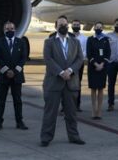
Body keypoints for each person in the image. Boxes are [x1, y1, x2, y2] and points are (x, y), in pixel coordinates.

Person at [39, 16, 86, 147]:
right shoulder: (49, 42)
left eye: (65, 24)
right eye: (60, 25)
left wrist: (69, 71)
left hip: (70, 83)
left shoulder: (75, 42)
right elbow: (48, 60)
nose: (63, 26)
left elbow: (80, 59)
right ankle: (46, 138)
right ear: (56, 27)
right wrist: (61, 72)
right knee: (50, 113)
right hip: (54, 83)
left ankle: (74, 136)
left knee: (71, 113)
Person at [0, 21, 29, 131]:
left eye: (12, 29)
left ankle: (19, 121)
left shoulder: (21, 42)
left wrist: (15, 71)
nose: (10, 31)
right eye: (7, 29)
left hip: (17, 76)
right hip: (3, 76)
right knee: (1, 100)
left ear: (15, 30)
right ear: (4, 30)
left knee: (17, 100)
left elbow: (23, 58)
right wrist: (6, 70)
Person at [86, 22, 111, 119]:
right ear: (94, 28)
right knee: (93, 89)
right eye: (97, 27)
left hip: (103, 66)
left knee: (101, 88)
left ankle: (99, 110)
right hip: (93, 66)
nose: (98, 29)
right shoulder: (90, 39)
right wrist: (95, 64)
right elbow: (89, 53)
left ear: (103, 28)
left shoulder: (105, 40)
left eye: (100, 27)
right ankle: (93, 109)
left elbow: (108, 53)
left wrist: (102, 64)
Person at [71, 19, 88, 112]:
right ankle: (65, 105)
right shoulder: (68, 37)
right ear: (71, 26)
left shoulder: (84, 38)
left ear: (80, 26)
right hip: (68, 64)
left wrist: (78, 60)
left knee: (77, 84)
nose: (76, 26)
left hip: (79, 64)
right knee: (66, 85)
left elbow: (85, 51)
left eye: (77, 25)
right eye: (74, 24)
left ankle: (77, 104)